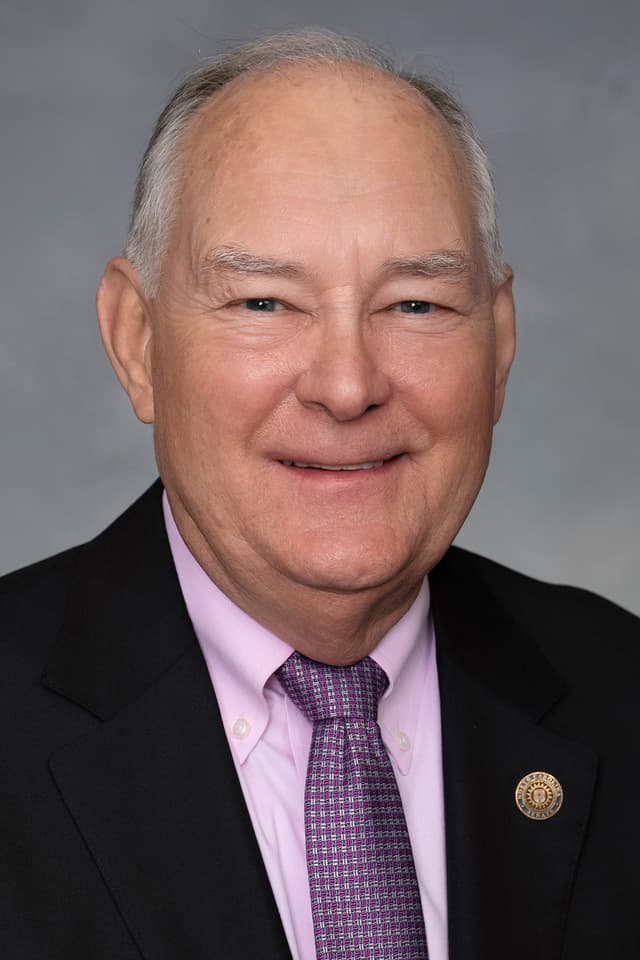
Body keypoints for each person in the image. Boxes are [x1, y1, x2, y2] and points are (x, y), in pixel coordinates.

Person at [1, 30, 638, 960]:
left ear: (498, 345)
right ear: (136, 342)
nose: (347, 386)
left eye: (416, 303)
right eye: (264, 303)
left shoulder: (621, 691)